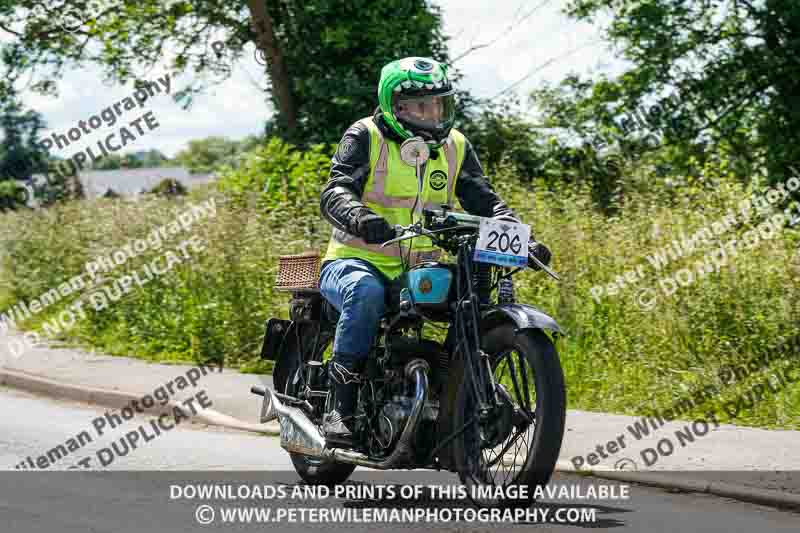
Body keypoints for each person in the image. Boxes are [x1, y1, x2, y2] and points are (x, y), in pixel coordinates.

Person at [318, 57, 552, 442]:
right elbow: (335, 190)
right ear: (396, 106)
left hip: (420, 267)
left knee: (471, 297)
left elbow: (486, 202)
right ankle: (339, 406)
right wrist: (359, 217)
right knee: (366, 293)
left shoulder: (455, 145)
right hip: (356, 261)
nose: (433, 114)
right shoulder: (366, 136)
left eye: (439, 104)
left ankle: (452, 396)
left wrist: (520, 238)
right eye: (422, 106)